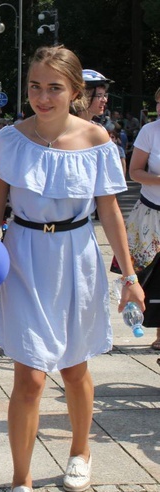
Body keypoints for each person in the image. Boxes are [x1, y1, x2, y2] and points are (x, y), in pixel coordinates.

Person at [0, 47, 143, 492]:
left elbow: (109, 213)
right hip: (22, 256)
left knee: (75, 369)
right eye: (35, 86)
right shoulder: (8, 139)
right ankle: (21, 480)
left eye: (54, 87)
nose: (42, 97)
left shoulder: (98, 139)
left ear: (75, 92)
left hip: (76, 257)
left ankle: (80, 451)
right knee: (28, 377)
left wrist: (130, 275)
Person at [124, 86, 160, 351]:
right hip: (151, 214)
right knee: (153, 275)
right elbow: (134, 171)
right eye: (159, 102)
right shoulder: (150, 132)